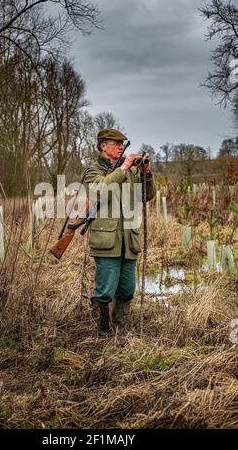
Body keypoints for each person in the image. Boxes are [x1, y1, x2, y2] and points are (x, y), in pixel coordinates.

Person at [83, 128, 156, 335]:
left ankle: (122, 331)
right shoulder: (94, 171)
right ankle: (103, 332)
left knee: (126, 289)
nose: (120, 147)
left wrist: (147, 173)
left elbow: (147, 195)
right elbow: (99, 192)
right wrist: (123, 168)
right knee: (105, 289)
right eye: (116, 144)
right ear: (102, 146)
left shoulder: (132, 171)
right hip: (107, 240)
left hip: (128, 239)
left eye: (122, 144)